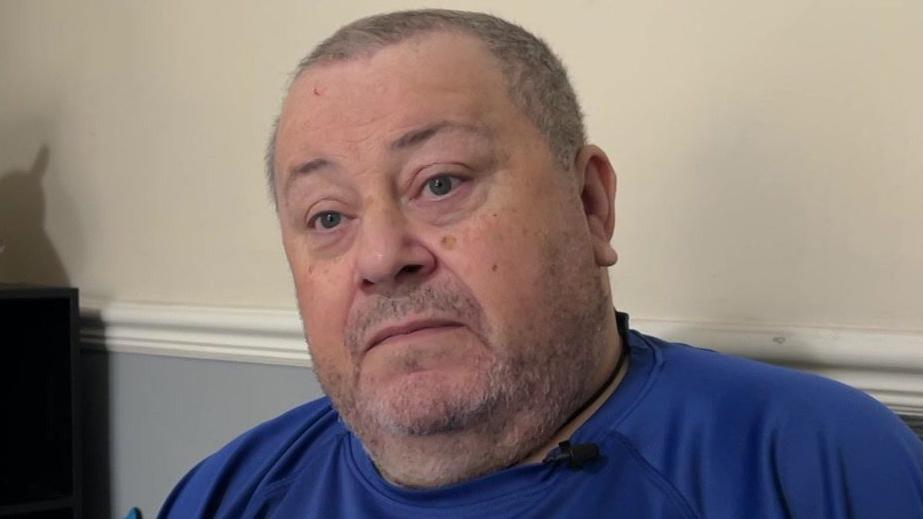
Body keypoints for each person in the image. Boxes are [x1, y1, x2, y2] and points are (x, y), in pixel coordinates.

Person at [160, 9, 923, 518]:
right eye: (327, 216)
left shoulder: (815, 465)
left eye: (441, 182)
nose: (382, 256)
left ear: (589, 203)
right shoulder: (226, 493)